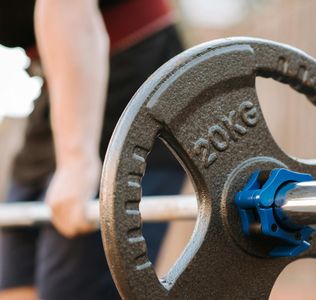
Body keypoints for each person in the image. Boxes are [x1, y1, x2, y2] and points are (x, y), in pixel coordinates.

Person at [0, 0, 186, 299]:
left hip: (133, 83)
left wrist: (77, 162)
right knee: (15, 285)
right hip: (54, 89)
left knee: (69, 290)